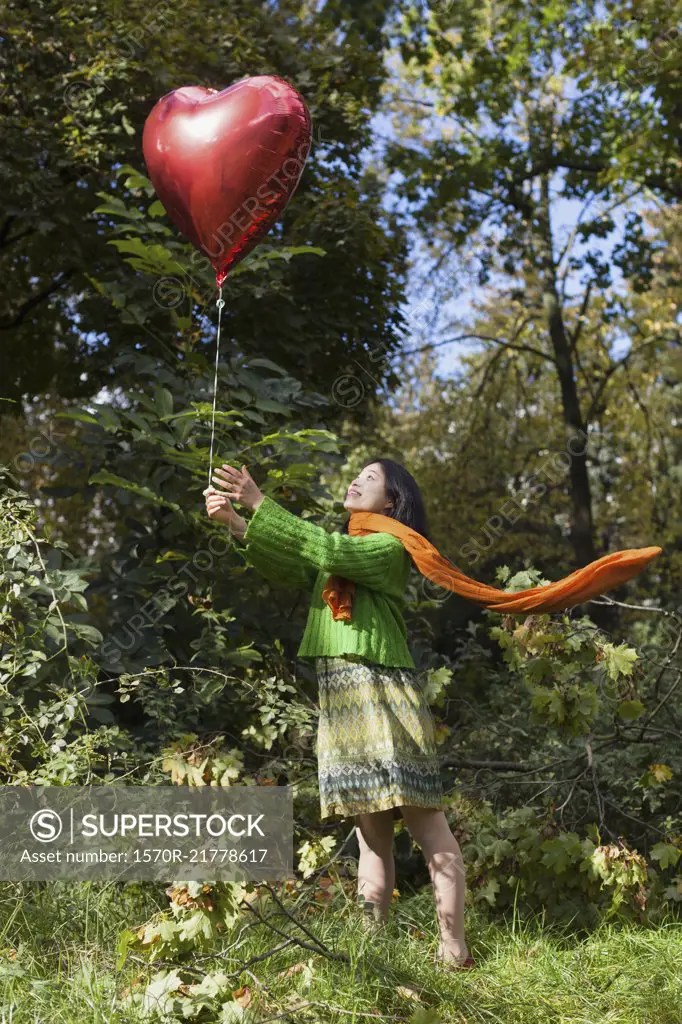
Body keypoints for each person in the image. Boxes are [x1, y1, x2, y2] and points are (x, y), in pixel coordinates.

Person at [204, 457, 474, 970]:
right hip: (345, 701)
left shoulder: (388, 546)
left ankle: (454, 948)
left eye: (370, 479)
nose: (356, 480)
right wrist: (237, 524)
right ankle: (372, 953)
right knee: (371, 836)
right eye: (358, 474)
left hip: (385, 696)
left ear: (392, 502)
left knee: (427, 826)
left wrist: (258, 502)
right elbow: (297, 562)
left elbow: (328, 550)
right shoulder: (348, 549)